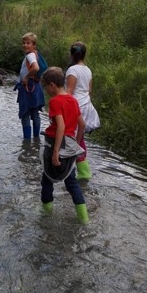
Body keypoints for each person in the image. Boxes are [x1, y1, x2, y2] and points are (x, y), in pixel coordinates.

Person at [39, 66, 89, 224]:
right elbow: (82, 124)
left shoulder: (55, 102)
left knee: (47, 180)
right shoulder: (72, 100)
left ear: (52, 85)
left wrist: (55, 152)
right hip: (69, 146)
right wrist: (76, 142)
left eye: (45, 86)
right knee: (71, 182)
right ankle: (83, 217)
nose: (46, 90)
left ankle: (45, 213)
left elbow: (60, 126)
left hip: (56, 144)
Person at [65, 41, 101, 180]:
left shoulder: (72, 70)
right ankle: (82, 171)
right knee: (79, 139)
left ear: (71, 54)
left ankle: (75, 170)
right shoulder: (87, 69)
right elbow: (89, 89)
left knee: (70, 139)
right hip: (86, 106)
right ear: (84, 55)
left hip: (76, 107)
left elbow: (69, 91)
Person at [14, 32, 45, 140]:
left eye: (28, 43)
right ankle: (36, 139)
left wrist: (26, 77)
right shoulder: (35, 54)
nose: (25, 45)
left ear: (34, 45)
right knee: (35, 113)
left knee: (25, 114)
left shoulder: (30, 55)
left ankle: (27, 141)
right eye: (23, 43)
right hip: (35, 87)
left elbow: (35, 68)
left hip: (28, 88)